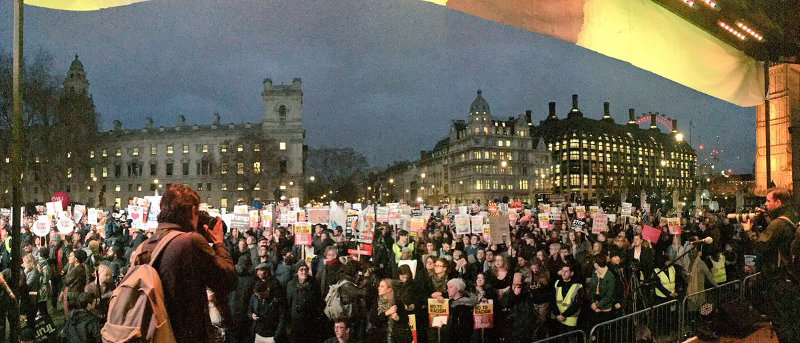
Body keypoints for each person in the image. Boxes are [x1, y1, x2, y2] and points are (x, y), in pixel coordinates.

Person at [146, 184, 237, 343]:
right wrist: (219, 243)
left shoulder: (148, 244)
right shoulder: (189, 242)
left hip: (158, 334)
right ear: (192, 211)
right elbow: (228, 280)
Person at [741, 188, 800, 342]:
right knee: (793, 322)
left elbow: (761, 245)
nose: (765, 204)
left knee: (782, 322)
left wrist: (748, 231)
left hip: (778, 280)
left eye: (768, 201)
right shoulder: (791, 218)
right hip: (790, 279)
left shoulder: (778, 223)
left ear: (778, 202)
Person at [550, 264, 583, 335]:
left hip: (570, 320)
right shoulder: (557, 283)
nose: (563, 273)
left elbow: (577, 304)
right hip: (558, 318)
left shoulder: (577, 285)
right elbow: (552, 300)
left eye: (566, 271)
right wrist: (557, 314)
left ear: (572, 273)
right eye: (562, 271)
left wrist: (564, 315)